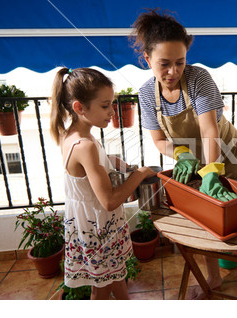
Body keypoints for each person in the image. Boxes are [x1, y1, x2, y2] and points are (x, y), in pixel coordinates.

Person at [131, 9, 237, 299]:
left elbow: (209, 132)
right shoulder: (145, 94)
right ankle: (214, 279)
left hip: (225, 152)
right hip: (191, 160)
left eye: (179, 62)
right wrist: (180, 153)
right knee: (204, 220)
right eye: (163, 64)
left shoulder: (198, 79)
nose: (173, 72)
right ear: (147, 60)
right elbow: (157, 140)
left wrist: (211, 169)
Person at [50, 67, 157, 300]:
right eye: (105, 105)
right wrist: (138, 174)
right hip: (99, 228)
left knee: (115, 277)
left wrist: (109, 160)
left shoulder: (72, 135)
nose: (112, 112)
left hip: (88, 224)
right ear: (79, 107)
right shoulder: (86, 146)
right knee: (101, 287)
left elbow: (82, 171)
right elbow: (109, 201)